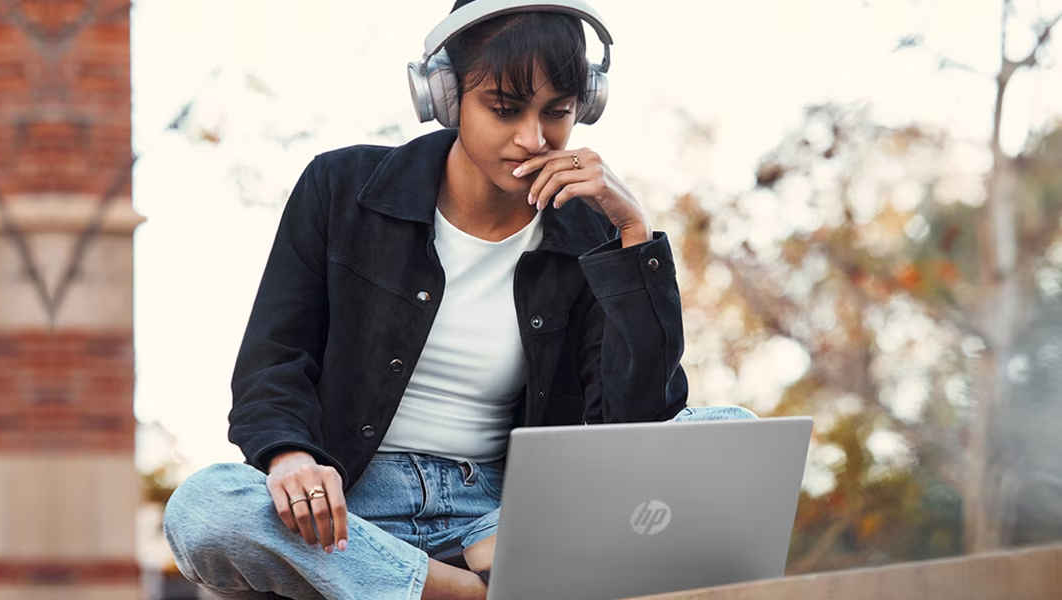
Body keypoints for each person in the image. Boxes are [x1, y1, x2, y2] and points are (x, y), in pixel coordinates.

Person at [163, 1, 756, 599]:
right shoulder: (341, 189)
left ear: (587, 105)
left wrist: (632, 237)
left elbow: (638, 428)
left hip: (505, 515)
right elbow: (273, 363)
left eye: (557, 112)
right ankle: (464, 591)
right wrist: (289, 458)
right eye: (504, 108)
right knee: (205, 506)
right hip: (350, 515)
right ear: (444, 96)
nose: (532, 138)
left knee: (732, 435)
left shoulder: (590, 235)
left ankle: (474, 567)